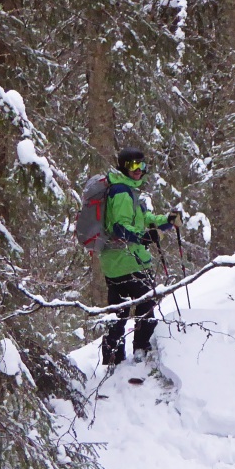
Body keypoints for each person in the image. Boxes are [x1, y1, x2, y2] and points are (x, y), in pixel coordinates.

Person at [100, 147, 181, 366]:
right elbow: (120, 228)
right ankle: (141, 350)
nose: (139, 170)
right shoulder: (122, 193)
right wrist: (145, 238)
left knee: (118, 311)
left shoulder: (127, 190)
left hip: (114, 263)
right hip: (128, 261)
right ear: (124, 167)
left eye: (142, 165)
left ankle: (112, 359)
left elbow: (143, 217)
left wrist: (166, 221)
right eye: (133, 165)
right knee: (146, 304)